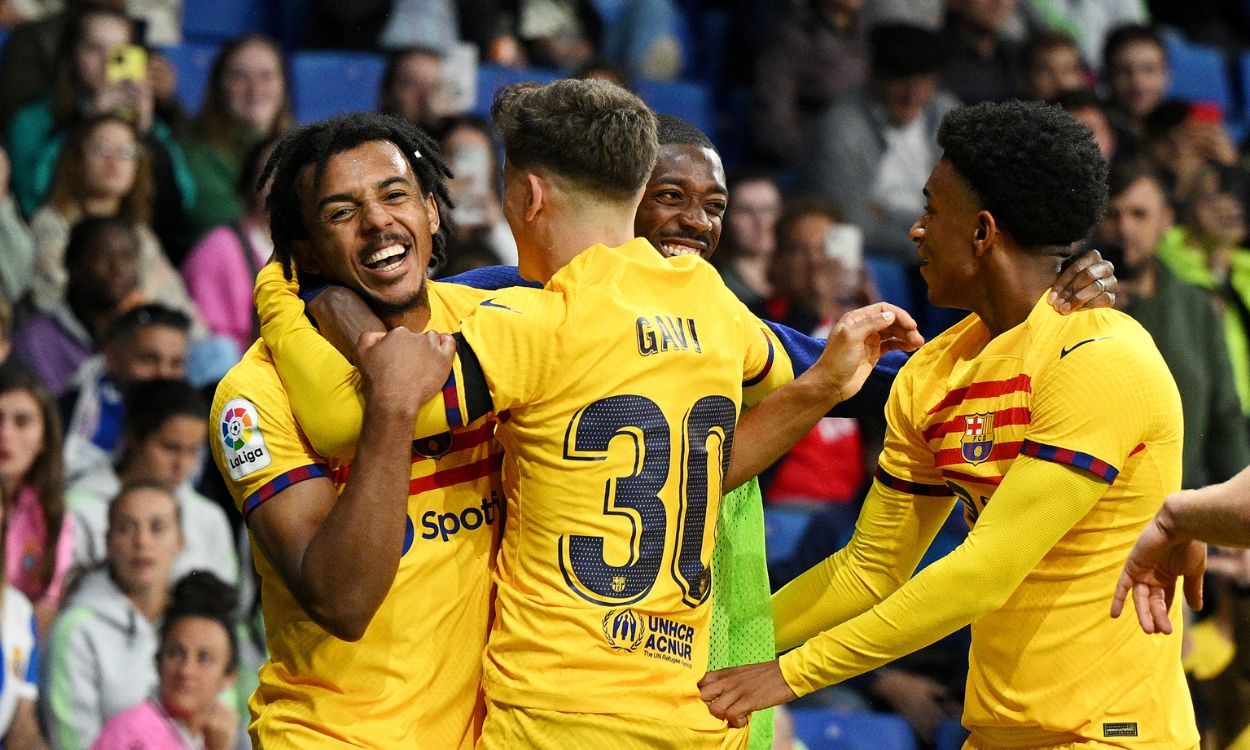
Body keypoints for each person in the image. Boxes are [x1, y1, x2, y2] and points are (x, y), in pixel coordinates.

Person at [698, 100, 1198, 749]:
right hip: (993, 732)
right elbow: (868, 569)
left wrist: (787, 674)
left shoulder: (1101, 359)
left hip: (1111, 736)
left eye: (933, 210)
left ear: (982, 231)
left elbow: (984, 572)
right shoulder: (933, 371)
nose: (915, 230)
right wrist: (725, 645)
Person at [210, 114, 502, 748]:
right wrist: (393, 408)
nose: (377, 222)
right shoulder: (254, 397)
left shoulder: (490, 323)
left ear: (432, 211)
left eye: (394, 196)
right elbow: (342, 602)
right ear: (307, 253)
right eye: (342, 212)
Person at [1097, 160, 1250, 488]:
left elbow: (1223, 416)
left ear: (1166, 220)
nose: (1125, 228)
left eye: (1139, 214)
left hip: (1179, 509)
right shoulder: (1073, 301)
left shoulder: (1195, 307)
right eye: (1113, 215)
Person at [7, 4, 194, 249]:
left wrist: (146, 134)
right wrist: (86, 123)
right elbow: (34, 201)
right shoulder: (30, 121)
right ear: (71, 54)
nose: (107, 62)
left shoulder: (148, 121)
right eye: (94, 49)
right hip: (54, 244)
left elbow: (180, 208)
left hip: (131, 248)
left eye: (119, 52)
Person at [42, 481, 184, 750]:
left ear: (180, 541)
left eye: (158, 527)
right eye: (127, 528)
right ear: (107, 542)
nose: (142, 541)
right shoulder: (75, 630)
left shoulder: (195, 625)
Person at [68, 378, 237, 584]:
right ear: (132, 437)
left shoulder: (210, 518)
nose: (182, 464)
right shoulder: (79, 509)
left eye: (193, 451)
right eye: (170, 448)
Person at [28, 116, 195, 318]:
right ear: (76, 160)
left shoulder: (139, 232)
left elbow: (177, 303)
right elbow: (52, 295)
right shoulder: (52, 222)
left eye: (126, 152)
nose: (114, 161)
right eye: (101, 149)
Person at [91, 572, 238, 750]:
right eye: (176, 654)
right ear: (158, 661)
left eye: (204, 658)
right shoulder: (132, 734)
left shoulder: (225, 736)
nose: (186, 670)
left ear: (229, 676)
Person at [179, 35, 292, 255]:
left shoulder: (300, 148)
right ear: (218, 86)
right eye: (239, 76)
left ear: (283, 85)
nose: (255, 89)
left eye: (266, 76)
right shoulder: (194, 154)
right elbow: (213, 219)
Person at [11, 217, 142, 396]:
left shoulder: (145, 332)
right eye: (102, 256)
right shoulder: (35, 339)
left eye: (126, 256)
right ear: (73, 264)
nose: (117, 267)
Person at [60, 304, 190, 484]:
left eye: (176, 364)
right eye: (149, 359)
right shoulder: (66, 412)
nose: (164, 374)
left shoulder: (200, 418)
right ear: (112, 357)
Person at [181, 137, 278, 355]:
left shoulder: (322, 248)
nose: (283, 181)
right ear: (251, 183)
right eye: (270, 171)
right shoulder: (218, 249)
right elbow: (211, 345)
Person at [0, 364, 75, 639]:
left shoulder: (54, 517)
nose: (5, 434)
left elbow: (47, 610)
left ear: (44, 438)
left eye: (22, 422)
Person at [750, 0, 869, 168]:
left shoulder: (869, 33)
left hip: (863, 157)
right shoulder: (793, 35)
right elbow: (773, 123)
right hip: (812, 163)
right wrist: (821, 159)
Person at [1017, 29, 1087, 101]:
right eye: (1045, 72)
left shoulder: (1096, 109)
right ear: (1023, 79)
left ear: (1081, 76)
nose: (1060, 81)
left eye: (1067, 70)